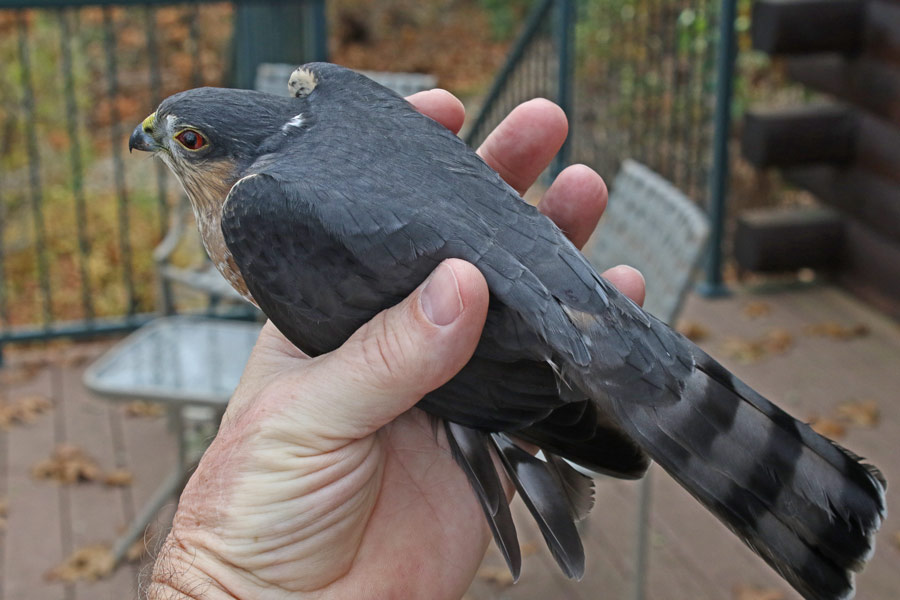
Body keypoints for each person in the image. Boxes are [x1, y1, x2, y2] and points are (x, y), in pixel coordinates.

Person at [144, 89, 645, 600]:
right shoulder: (265, 201)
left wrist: (220, 580)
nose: (149, 139)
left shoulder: (254, 207)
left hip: (479, 329)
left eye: (188, 141)